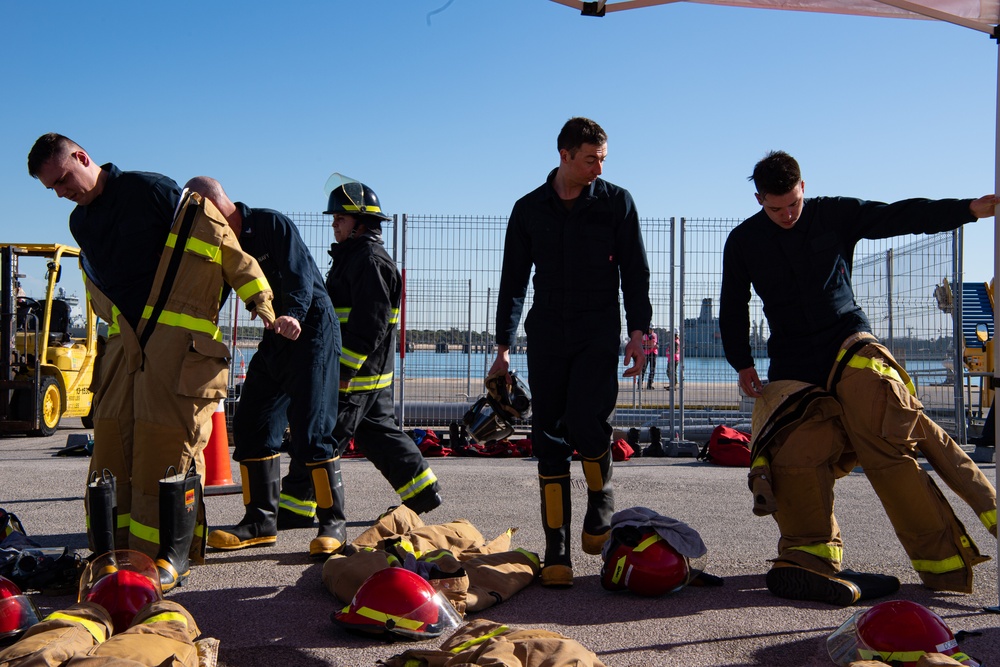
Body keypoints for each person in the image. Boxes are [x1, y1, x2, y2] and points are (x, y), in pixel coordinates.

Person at [719, 150, 999, 605]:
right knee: (795, 456)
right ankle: (809, 559)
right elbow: (732, 305)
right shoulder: (743, 241)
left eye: (793, 204)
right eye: (776, 208)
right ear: (758, 200)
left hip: (848, 343)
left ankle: (943, 567)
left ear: (803, 188)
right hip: (791, 362)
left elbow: (900, 215)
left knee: (885, 436)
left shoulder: (835, 213)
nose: (787, 215)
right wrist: (742, 362)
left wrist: (967, 209)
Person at [27, 135, 275, 590]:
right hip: (126, 352)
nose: (62, 192)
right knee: (111, 448)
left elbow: (219, 238)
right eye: (53, 188)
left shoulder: (152, 191)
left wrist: (258, 296)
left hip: (179, 350)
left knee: (166, 450)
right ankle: (113, 554)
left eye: (63, 178)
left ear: (83, 157)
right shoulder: (80, 223)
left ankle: (169, 556)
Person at [489, 117, 652, 588]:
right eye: (590, 159)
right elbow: (513, 282)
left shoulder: (617, 203)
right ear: (564, 155)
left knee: (586, 420)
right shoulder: (528, 209)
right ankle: (556, 550)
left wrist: (639, 332)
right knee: (549, 439)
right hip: (547, 333)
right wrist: (503, 347)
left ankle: (601, 498)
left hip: (598, 330)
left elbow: (635, 273)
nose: (598, 168)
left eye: (602, 159)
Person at [183, 178, 344, 559]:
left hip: (312, 331)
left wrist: (293, 314)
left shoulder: (271, 224)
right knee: (253, 419)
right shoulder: (221, 244)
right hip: (276, 336)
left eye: (199, 214)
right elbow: (212, 298)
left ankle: (332, 523)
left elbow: (298, 275)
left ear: (216, 205)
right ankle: (259, 522)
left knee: (312, 430)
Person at [279, 175, 442, 522]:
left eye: (340, 219)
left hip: (355, 376)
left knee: (321, 436)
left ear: (360, 224)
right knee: (377, 435)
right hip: (363, 373)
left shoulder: (368, 260)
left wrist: (342, 372)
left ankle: (295, 508)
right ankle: (424, 492)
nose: (334, 225)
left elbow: (370, 325)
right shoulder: (354, 257)